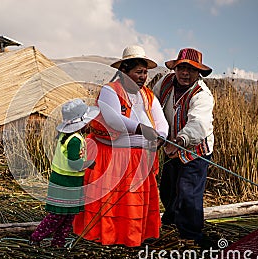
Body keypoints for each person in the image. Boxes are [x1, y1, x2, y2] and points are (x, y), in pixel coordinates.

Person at [73, 45, 169, 247]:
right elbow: (113, 119)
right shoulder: (111, 90)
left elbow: (161, 121)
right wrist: (142, 129)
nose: (143, 77)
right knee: (112, 201)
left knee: (132, 203)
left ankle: (133, 235)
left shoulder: (148, 96)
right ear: (124, 71)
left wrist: (161, 135)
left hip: (140, 157)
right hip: (115, 155)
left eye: (145, 72)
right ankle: (110, 234)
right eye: (138, 72)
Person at [152, 47, 214, 245]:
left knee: (188, 192)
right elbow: (152, 104)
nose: (185, 73)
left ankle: (191, 235)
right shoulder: (166, 83)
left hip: (195, 150)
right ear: (175, 69)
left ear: (198, 73)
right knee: (168, 188)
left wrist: (179, 141)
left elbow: (198, 124)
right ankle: (171, 220)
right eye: (181, 68)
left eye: (191, 69)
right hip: (170, 146)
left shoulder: (202, 95)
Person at [30, 99, 99, 248]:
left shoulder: (67, 136)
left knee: (67, 216)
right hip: (65, 184)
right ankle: (36, 238)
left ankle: (58, 244)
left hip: (67, 182)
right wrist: (89, 164)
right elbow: (74, 164)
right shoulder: (74, 140)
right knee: (58, 215)